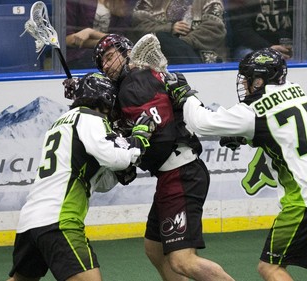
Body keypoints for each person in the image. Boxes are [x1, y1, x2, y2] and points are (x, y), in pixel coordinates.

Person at [166, 48, 307, 281]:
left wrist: (185, 94)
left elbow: (201, 122)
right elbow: (283, 128)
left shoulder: (252, 111)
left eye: (247, 79)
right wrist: (246, 135)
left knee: (270, 268)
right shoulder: (296, 91)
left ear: (258, 80)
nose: (244, 84)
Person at [92, 33, 235, 281]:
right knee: (155, 248)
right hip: (175, 173)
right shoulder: (133, 84)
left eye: (109, 56)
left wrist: (134, 159)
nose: (105, 65)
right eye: (101, 63)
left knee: (183, 261)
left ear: (126, 52)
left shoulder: (135, 82)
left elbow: (161, 137)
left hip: (180, 173)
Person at [7, 72, 155, 281]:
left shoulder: (60, 122)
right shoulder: (90, 118)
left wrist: (116, 175)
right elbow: (117, 158)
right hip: (58, 219)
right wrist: (139, 140)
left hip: (30, 220)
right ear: (106, 99)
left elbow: (97, 180)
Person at [130, 0, 227, 64]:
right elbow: (140, 27)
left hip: (201, 60)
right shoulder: (148, 2)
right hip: (156, 58)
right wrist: (169, 28)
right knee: (161, 36)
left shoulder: (210, 2)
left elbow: (214, 30)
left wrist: (179, 44)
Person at [226, 0, 307, 60]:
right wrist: (267, 48)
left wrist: (298, 47)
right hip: (254, 46)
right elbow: (240, 29)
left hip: (291, 47)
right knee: (251, 58)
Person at [66, 0, 135, 69]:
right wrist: (108, 41)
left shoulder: (123, 2)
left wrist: (91, 32)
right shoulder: (75, 2)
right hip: (79, 56)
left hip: (111, 54)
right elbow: (68, 39)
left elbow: (120, 40)